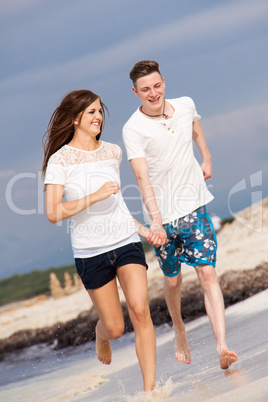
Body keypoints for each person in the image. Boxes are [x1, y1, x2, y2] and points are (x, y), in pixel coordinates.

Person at [42, 89, 162, 392]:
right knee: (116, 328)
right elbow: (53, 213)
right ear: (74, 119)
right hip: (90, 252)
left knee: (139, 309)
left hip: (126, 242)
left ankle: (150, 392)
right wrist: (93, 196)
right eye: (91, 112)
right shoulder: (60, 161)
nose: (98, 117)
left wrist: (142, 229)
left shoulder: (112, 151)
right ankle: (101, 333)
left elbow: (117, 204)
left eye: (99, 111)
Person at [122, 60, 237, 370]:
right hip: (161, 218)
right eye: (145, 89)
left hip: (193, 207)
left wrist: (207, 158)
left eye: (157, 85)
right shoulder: (133, 129)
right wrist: (155, 220)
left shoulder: (185, 105)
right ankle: (179, 330)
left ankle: (222, 346)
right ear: (136, 92)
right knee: (172, 282)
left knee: (207, 273)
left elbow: (195, 126)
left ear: (164, 82)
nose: (153, 92)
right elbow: (142, 178)